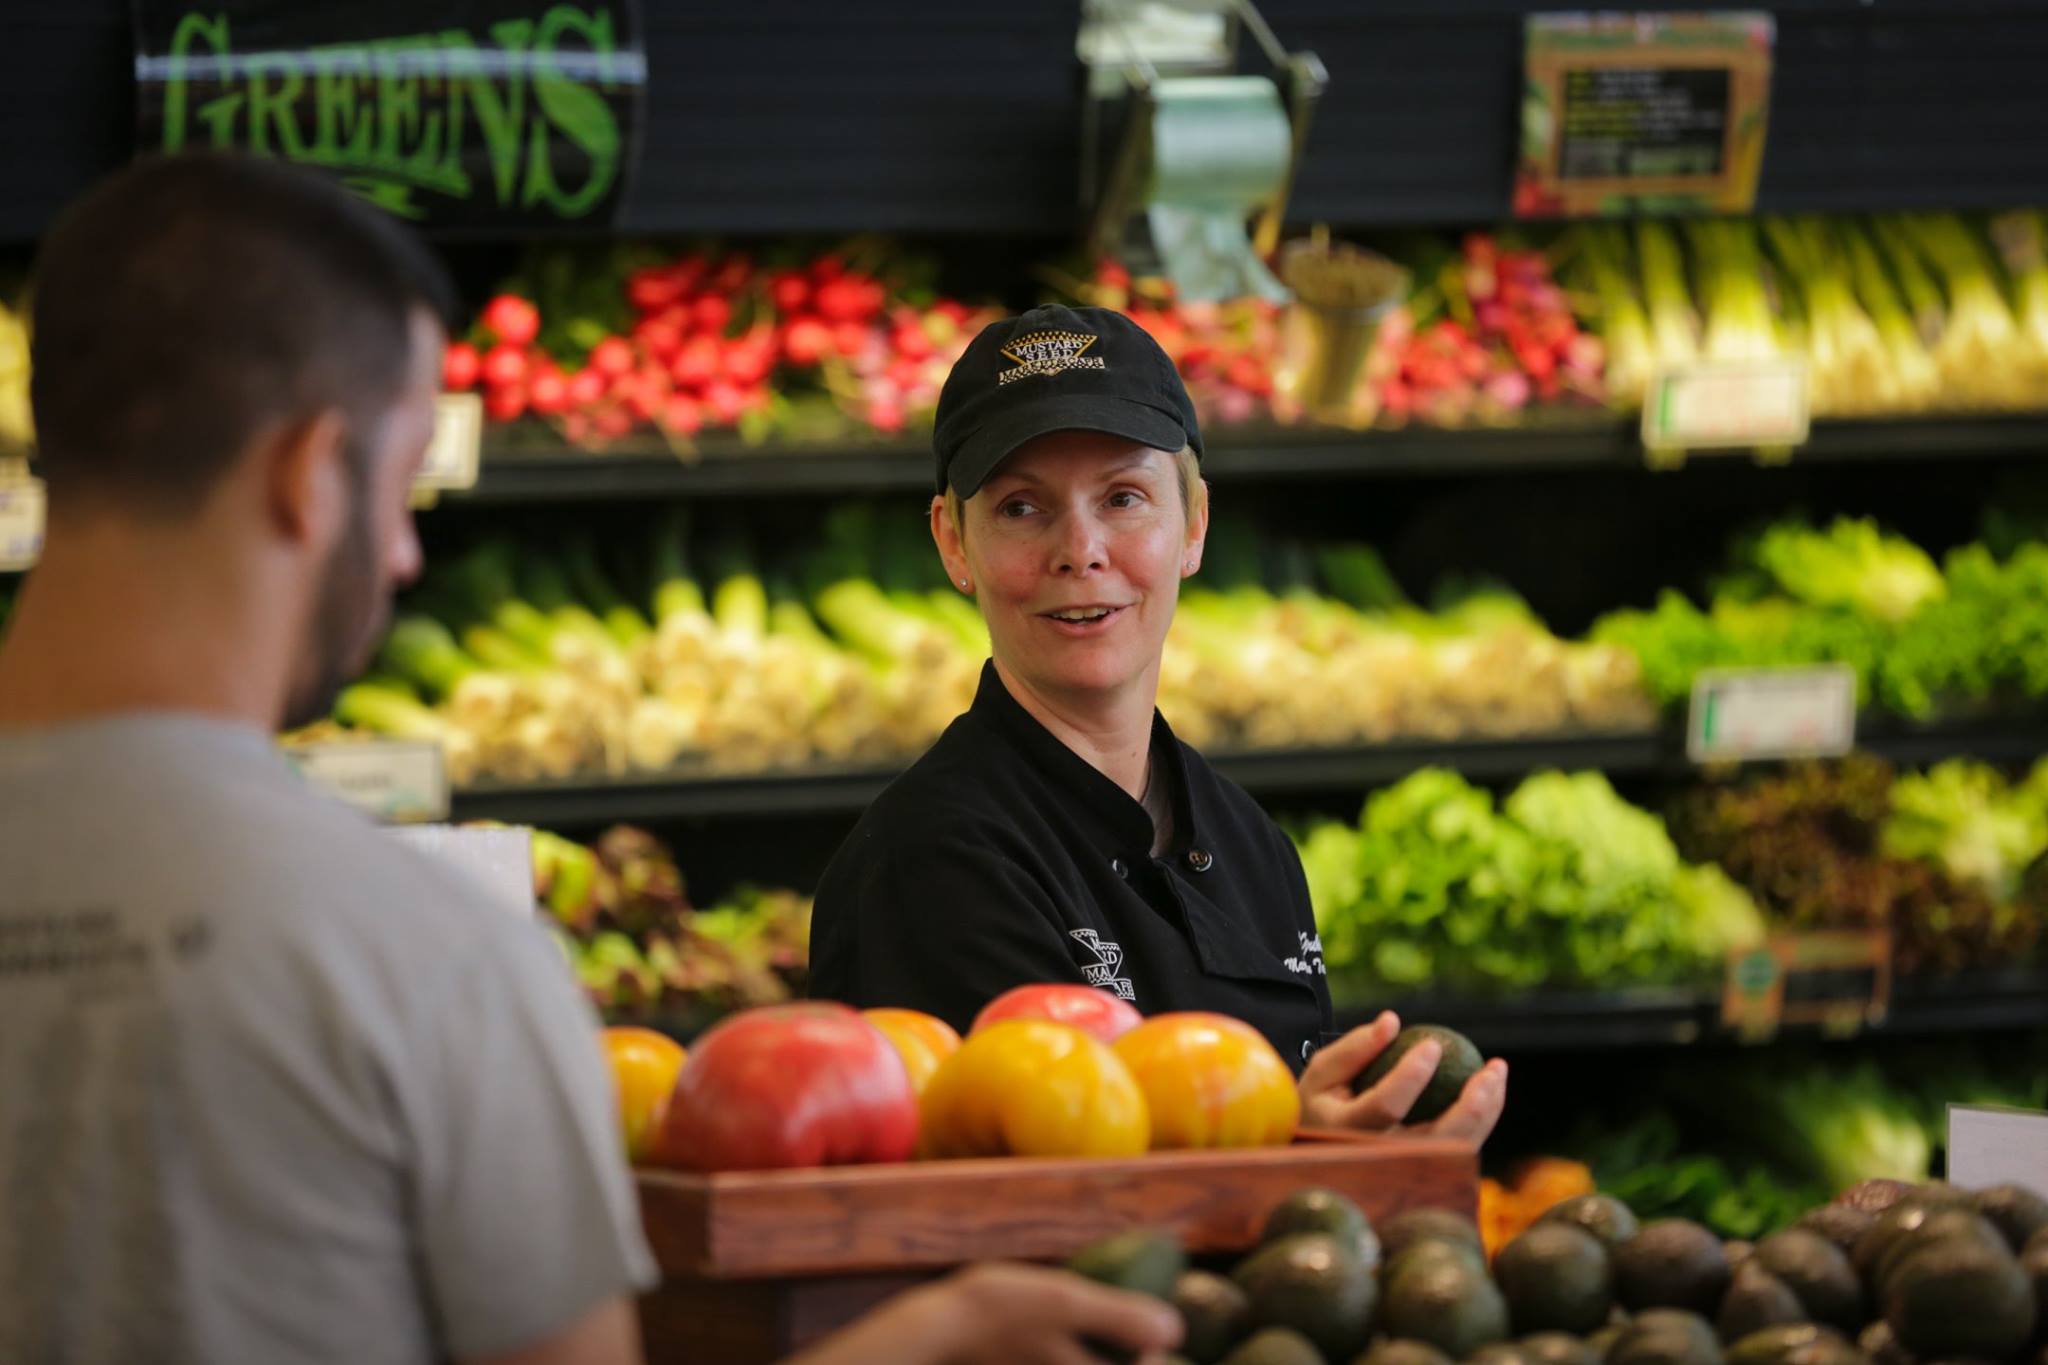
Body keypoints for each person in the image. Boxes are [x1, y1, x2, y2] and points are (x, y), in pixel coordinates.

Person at [0, 155, 1181, 1365]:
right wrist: (937, 1338)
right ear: (308, 478)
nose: (404, 556)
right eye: (402, 486)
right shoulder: (426, 958)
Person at [808, 304, 1507, 1141]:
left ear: (1195, 525)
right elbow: (1028, 1206)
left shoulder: (1253, 844)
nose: (1082, 549)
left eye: (1124, 497)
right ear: (954, 544)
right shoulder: (932, 863)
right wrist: (1299, 1153)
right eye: (1022, 508)